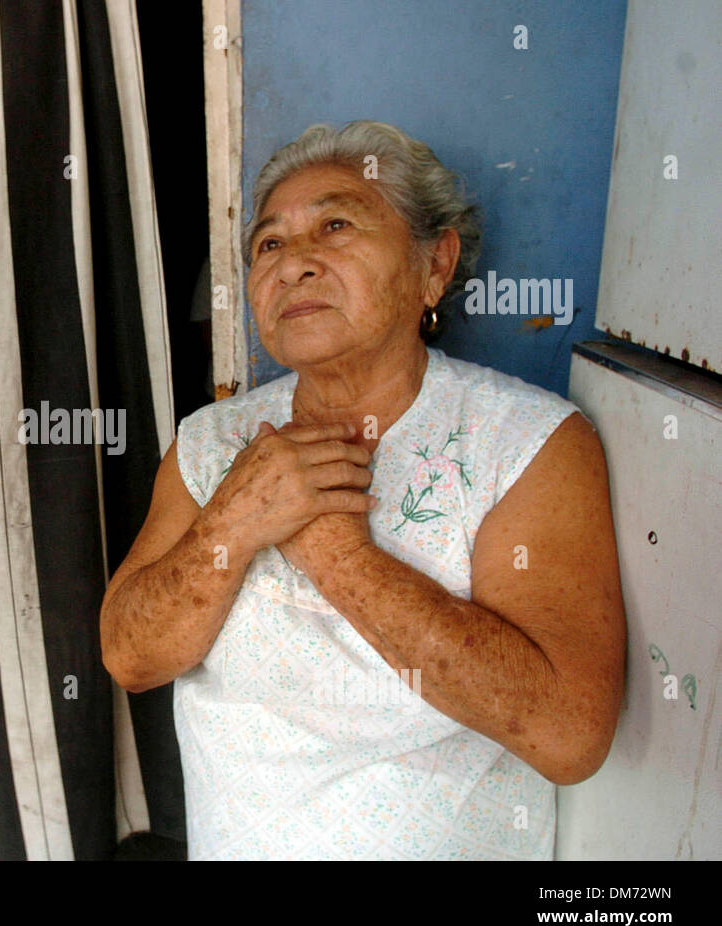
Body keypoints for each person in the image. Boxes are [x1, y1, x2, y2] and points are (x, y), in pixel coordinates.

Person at [99, 121, 626, 860]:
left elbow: (568, 734)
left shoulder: (527, 443)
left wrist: (340, 559)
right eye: (269, 244)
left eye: (336, 225)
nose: (294, 264)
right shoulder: (213, 441)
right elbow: (130, 655)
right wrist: (233, 524)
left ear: (434, 265)